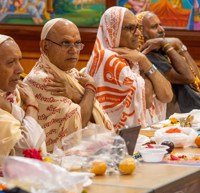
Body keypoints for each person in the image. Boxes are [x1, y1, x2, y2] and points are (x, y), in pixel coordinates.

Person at [24, 18, 114, 152]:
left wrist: (76, 96)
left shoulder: (72, 73)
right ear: (45, 46)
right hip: (54, 161)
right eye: (65, 43)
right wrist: (90, 90)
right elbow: (79, 124)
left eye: (77, 43)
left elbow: (90, 114)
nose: (74, 50)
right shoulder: (42, 79)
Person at [85, 6, 173, 130]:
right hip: (116, 140)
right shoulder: (107, 58)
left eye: (138, 27)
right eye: (130, 28)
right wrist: (144, 66)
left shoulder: (134, 57)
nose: (137, 33)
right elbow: (146, 100)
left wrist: (144, 61)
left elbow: (167, 95)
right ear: (113, 31)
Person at [136, 11, 200, 114]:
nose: (161, 30)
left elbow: (196, 77)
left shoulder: (162, 51)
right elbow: (188, 77)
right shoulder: (148, 57)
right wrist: (165, 43)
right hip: (182, 115)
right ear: (141, 33)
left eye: (160, 25)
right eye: (154, 27)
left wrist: (179, 45)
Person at [0, 34, 45, 156]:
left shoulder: (16, 94)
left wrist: (10, 108)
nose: (20, 69)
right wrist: (32, 105)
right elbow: (27, 148)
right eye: (10, 62)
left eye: (19, 60)